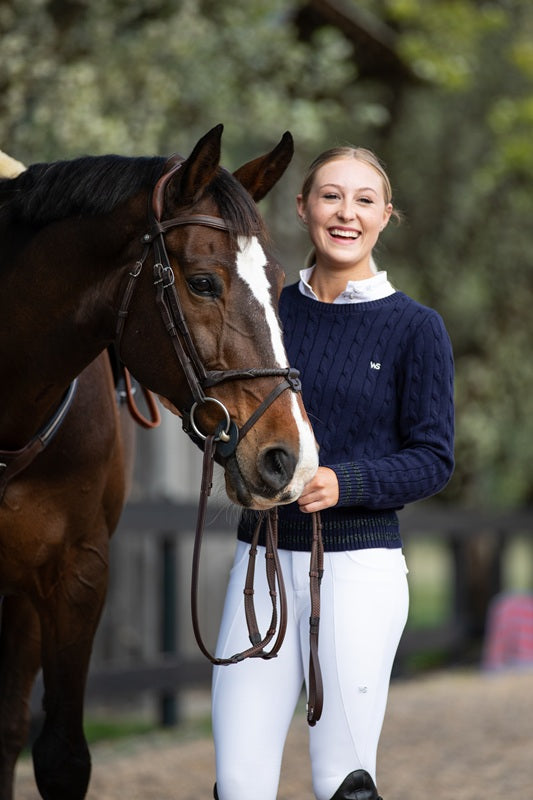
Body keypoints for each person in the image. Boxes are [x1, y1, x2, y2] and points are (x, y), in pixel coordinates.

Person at [210, 146, 455, 800]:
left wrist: (347, 483)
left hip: (357, 572)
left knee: (339, 780)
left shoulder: (415, 328)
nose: (346, 212)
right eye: (330, 196)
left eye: (364, 200)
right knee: (237, 782)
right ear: (303, 208)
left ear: (385, 215)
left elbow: (433, 457)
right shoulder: (264, 311)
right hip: (260, 562)